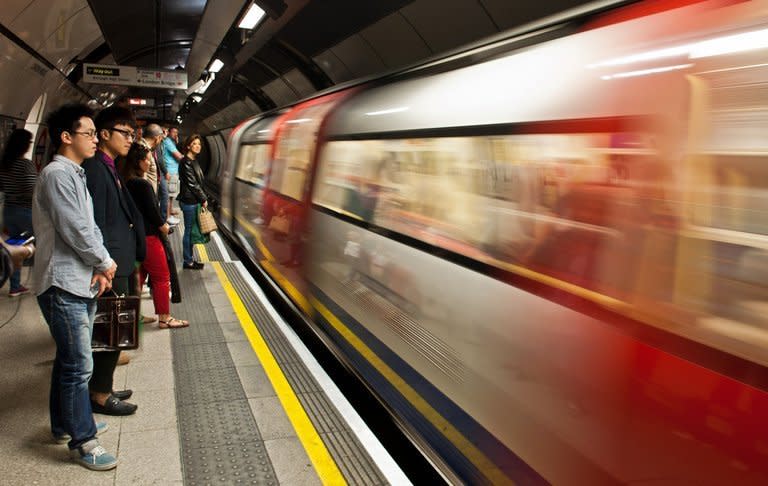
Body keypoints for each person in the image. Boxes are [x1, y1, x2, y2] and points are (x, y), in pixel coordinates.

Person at [32, 103, 118, 470]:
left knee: (69, 361)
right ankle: (83, 442)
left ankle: (64, 423)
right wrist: (104, 262)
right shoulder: (57, 175)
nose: (96, 139)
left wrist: (101, 266)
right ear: (66, 137)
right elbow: (75, 229)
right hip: (62, 283)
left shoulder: (76, 174)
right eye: (89, 133)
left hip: (80, 279)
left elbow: (90, 226)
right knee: (79, 366)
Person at [82, 105, 143, 416]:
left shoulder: (109, 166)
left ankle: (103, 384)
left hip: (118, 260)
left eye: (133, 134)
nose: (130, 139)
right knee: (109, 332)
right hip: (110, 263)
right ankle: (100, 394)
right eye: (125, 133)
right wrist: (102, 263)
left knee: (114, 330)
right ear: (104, 134)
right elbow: (94, 222)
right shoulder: (95, 169)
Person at [123, 142, 188, 328]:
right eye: (148, 160)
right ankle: (165, 318)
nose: (150, 164)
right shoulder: (142, 184)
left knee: (140, 276)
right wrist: (164, 226)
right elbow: (152, 211)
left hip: (135, 236)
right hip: (150, 237)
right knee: (162, 277)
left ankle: (133, 314)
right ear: (140, 162)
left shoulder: (126, 181)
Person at [0, 128, 36, 296]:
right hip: (25, 212)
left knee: (15, 246)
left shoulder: (5, 164)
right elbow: (32, 187)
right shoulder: (25, 164)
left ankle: (15, 286)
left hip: (9, 211)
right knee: (35, 245)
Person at [178, 134, 207, 269]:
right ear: (188, 146)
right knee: (189, 231)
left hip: (192, 200)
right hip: (189, 201)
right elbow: (192, 184)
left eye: (199, 144)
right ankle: (188, 261)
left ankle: (189, 259)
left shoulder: (193, 160)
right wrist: (203, 198)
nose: (198, 146)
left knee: (191, 231)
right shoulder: (186, 162)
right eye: (194, 143)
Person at [161, 126, 183, 222]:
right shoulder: (168, 142)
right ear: (168, 132)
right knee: (169, 195)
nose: (175, 134)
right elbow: (178, 156)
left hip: (173, 171)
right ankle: (168, 217)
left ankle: (170, 212)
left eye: (177, 132)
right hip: (171, 171)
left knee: (171, 195)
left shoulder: (171, 142)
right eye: (173, 132)